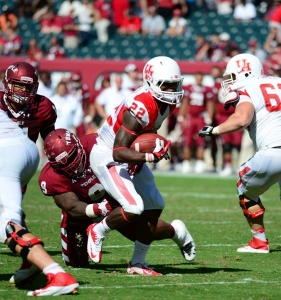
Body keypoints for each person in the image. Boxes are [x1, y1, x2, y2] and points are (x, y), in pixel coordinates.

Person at [88, 56, 195, 275]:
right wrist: (149, 157)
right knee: (133, 207)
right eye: (166, 85)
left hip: (128, 155)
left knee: (155, 204)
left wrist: (147, 149)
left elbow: (146, 133)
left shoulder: (166, 102)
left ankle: (137, 263)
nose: (173, 90)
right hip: (107, 154)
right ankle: (97, 230)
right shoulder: (141, 105)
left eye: (175, 84)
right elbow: (118, 151)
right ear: (151, 82)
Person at [38, 128, 196, 268]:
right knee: (76, 263)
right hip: (82, 210)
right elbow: (70, 205)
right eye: (65, 163)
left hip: (111, 197)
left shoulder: (97, 144)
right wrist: (99, 208)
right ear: (53, 164)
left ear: (79, 145)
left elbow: (125, 151)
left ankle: (176, 232)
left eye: (73, 157)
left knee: (139, 233)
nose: (72, 165)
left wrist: (138, 158)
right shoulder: (51, 177)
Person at [0, 84, 78, 296]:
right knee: (10, 213)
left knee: (5, 226)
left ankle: (57, 274)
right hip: (24, 148)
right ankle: (30, 261)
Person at [0, 62, 58, 282]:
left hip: (20, 164)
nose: (23, 91)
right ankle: (28, 252)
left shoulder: (44, 108)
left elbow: (49, 137)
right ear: (7, 84)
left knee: (9, 209)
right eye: (17, 86)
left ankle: (27, 252)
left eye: (28, 87)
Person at [198, 53, 281, 254]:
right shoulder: (278, 81)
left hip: (274, 152)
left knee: (245, 188)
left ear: (244, 73)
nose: (229, 83)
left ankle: (259, 242)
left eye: (232, 77)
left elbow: (242, 118)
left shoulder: (247, 88)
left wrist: (214, 130)